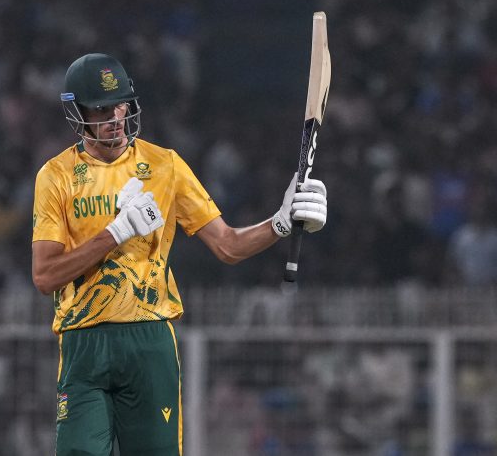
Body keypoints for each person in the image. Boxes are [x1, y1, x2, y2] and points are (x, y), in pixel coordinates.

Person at [31, 53, 328, 456]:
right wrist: (115, 233)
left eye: (120, 105)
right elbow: (45, 276)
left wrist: (279, 222)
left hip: (150, 338)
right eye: (101, 109)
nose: (115, 117)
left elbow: (227, 245)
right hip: (84, 341)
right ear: (78, 112)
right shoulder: (56, 176)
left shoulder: (164, 165)